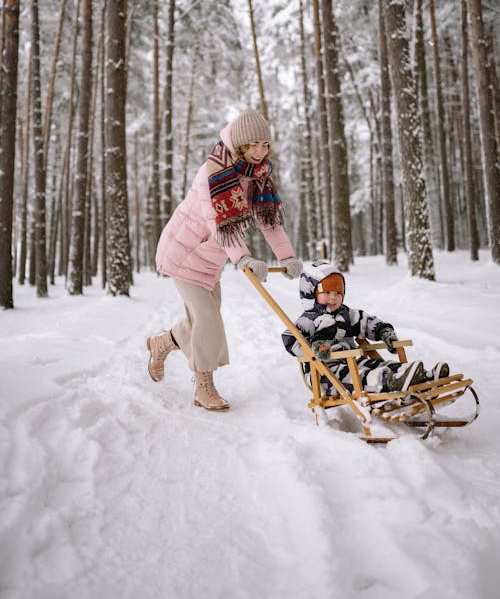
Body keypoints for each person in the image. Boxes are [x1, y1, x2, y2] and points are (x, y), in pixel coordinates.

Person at [148, 109, 303, 411]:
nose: (261, 152)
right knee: (208, 319)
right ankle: (203, 386)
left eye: (265, 145)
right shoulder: (213, 172)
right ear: (241, 144)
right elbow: (216, 223)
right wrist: (243, 258)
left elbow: (269, 221)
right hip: (183, 254)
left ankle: (162, 343)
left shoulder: (257, 176)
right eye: (254, 145)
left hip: (210, 261)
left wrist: (288, 256)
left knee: (200, 322)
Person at [282, 261, 449, 395]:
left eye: (338, 293)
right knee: (362, 376)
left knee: (379, 365)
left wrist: (383, 331)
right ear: (311, 293)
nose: (333, 298)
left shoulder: (346, 314)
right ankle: (390, 382)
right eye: (327, 293)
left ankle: (422, 377)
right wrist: (313, 350)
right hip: (325, 372)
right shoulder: (307, 320)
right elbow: (290, 338)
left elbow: (364, 321)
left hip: (353, 361)